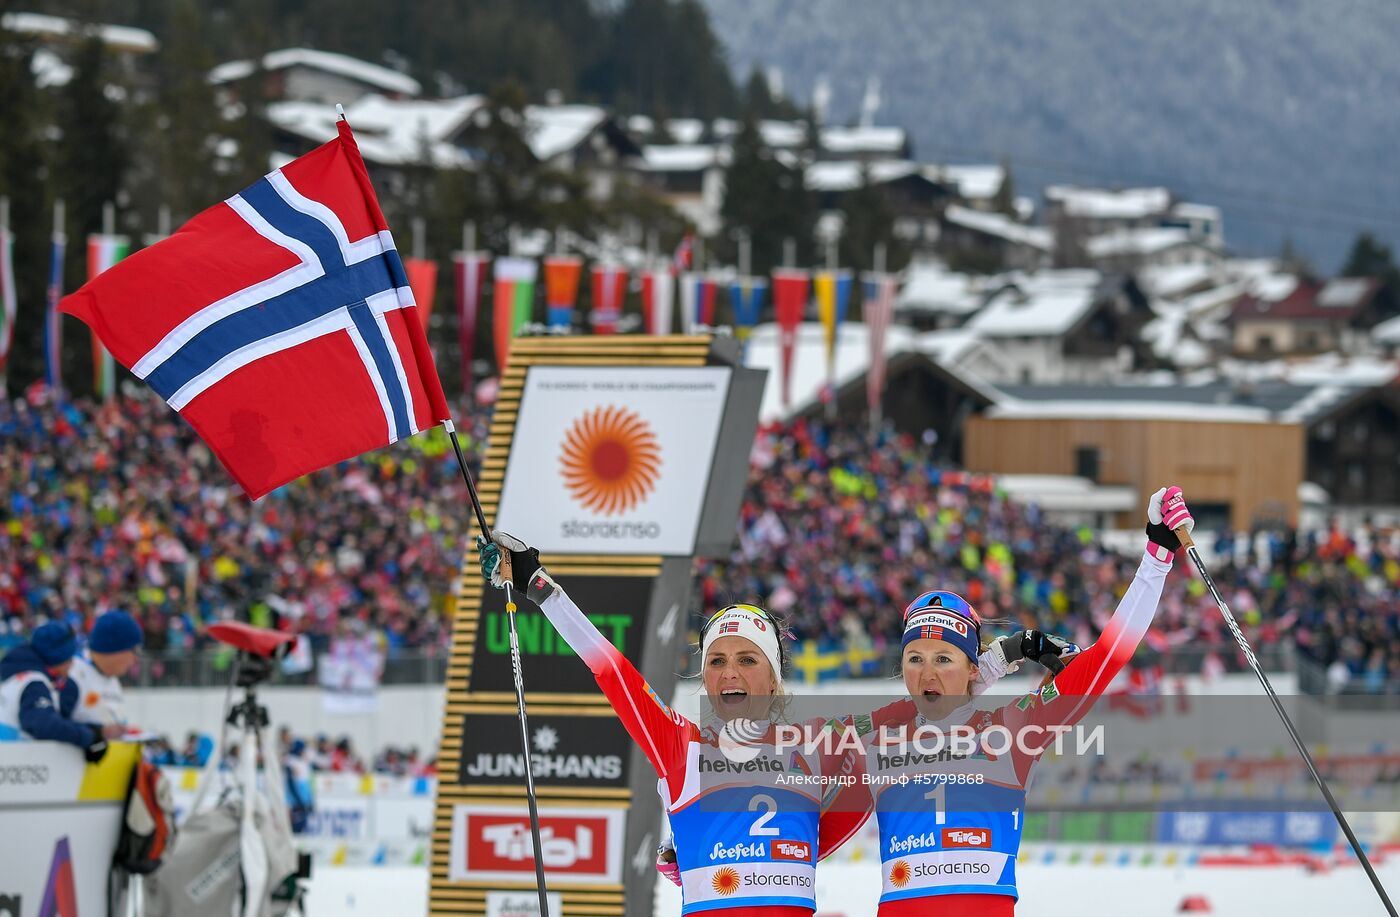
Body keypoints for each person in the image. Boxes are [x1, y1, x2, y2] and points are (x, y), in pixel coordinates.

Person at [477, 533, 1058, 915]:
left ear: (774, 676)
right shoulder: (680, 744)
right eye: (717, 662)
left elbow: (930, 699)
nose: (730, 674)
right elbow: (614, 671)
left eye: (748, 660)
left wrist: (1005, 654)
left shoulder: (822, 743)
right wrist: (539, 588)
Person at [850, 485, 1192, 915]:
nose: (927, 671)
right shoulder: (875, 736)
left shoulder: (1011, 731)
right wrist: (1004, 655)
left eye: (944, 658)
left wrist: (1157, 556)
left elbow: (1106, 656)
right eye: (914, 658)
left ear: (971, 667)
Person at [0, 621, 121, 761]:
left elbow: (49, 720)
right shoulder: (34, 683)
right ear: (57, 659)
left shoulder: (19, 677)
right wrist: (89, 738)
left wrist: (95, 731)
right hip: (15, 768)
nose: (72, 664)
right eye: (69, 658)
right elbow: (44, 724)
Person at [69, 610, 144, 729]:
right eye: (134, 651)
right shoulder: (73, 673)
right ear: (116, 650)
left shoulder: (112, 678)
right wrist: (99, 734)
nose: (135, 659)